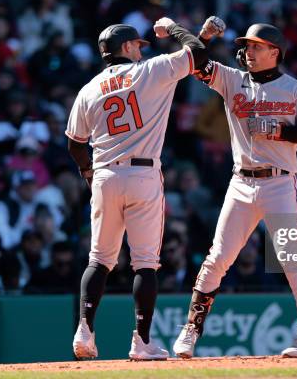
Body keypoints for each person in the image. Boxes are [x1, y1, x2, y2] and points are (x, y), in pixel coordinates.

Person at [173, 20, 297, 358]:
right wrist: (204, 36)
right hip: (240, 182)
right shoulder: (232, 79)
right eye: (246, 46)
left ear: (275, 51)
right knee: (218, 258)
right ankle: (190, 330)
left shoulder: (295, 89)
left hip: (280, 182)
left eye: (256, 46)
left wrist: (279, 131)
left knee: (291, 259)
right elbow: (196, 63)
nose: (248, 51)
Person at [66, 19, 207, 360]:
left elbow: (74, 144)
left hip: (104, 176)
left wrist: (88, 173)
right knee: (145, 264)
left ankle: (84, 330)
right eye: (138, 45)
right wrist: (173, 27)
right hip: (143, 175)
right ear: (127, 47)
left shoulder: (88, 89)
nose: (141, 49)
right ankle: (141, 342)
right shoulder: (150, 71)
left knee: (99, 260)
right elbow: (198, 55)